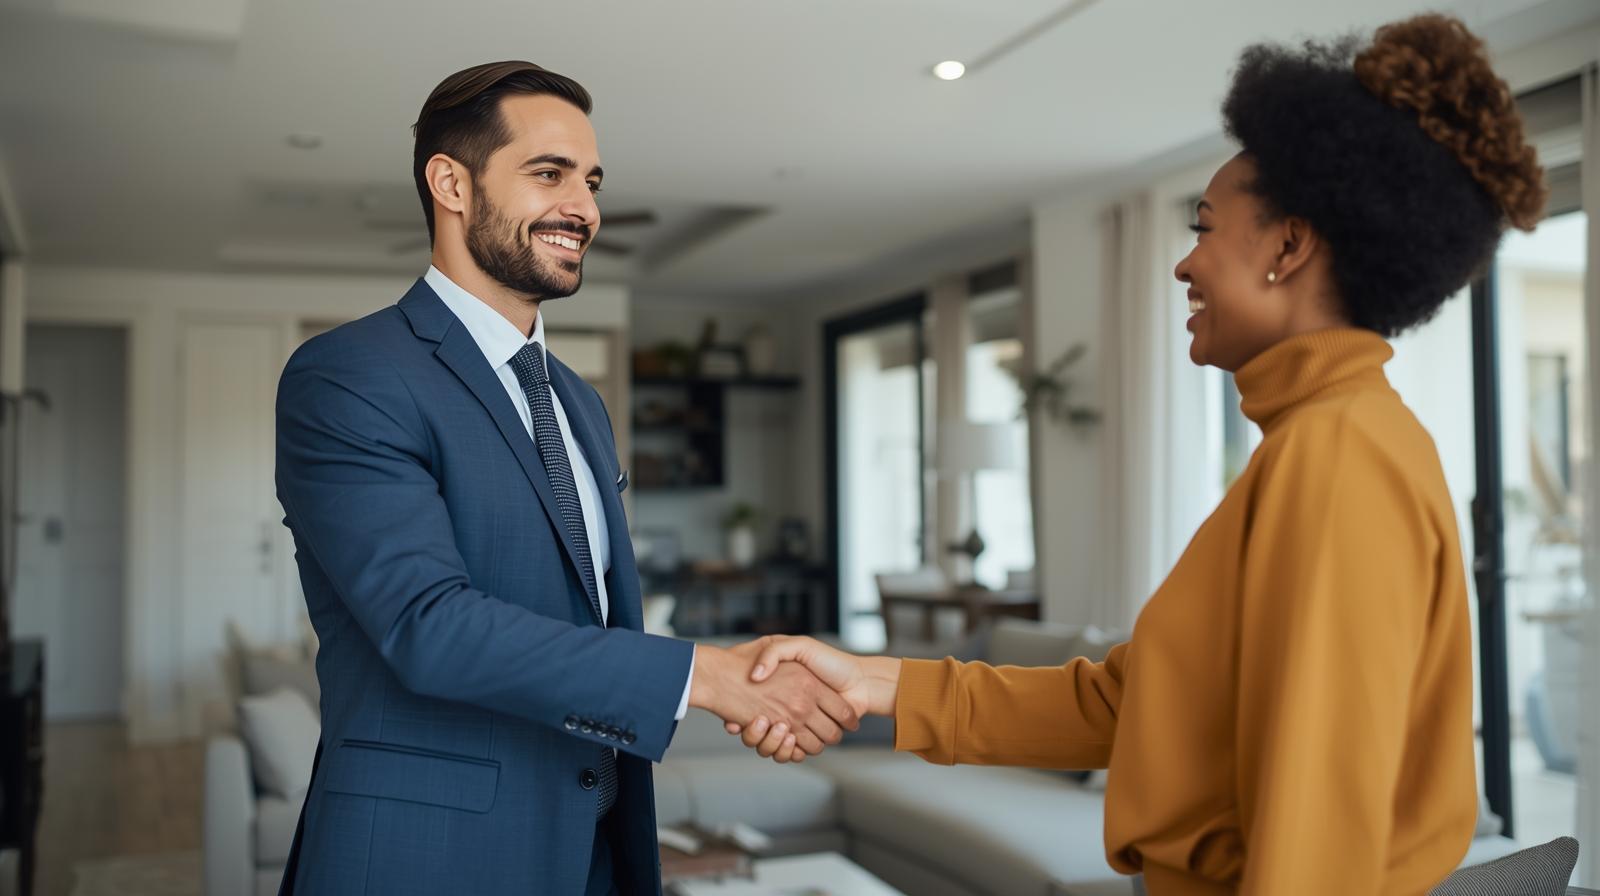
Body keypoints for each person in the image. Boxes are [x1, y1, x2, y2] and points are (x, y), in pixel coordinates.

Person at [731, 14, 1546, 894]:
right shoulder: (1311, 442)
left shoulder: (1340, 457)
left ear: (1288, 245)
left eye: (1203, 228)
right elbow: (1128, 705)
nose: (1183, 266)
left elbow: (1319, 832)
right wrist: (870, 683)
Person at [273, 61, 857, 896]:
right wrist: (707, 676)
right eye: (547, 173)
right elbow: (429, 626)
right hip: (427, 858)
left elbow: (592, 622)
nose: (582, 207)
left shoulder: (577, 402)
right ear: (451, 183)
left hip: (595, 849)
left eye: (590, 180)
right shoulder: (350, 375)